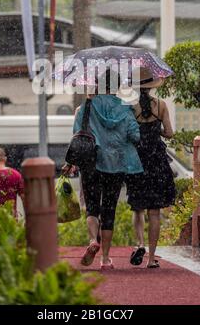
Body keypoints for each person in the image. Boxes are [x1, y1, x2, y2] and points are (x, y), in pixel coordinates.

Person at [65, 72, 143, 270]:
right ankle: (105, 258)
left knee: (92, 206)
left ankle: (93, 240)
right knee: (109, 210)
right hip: (116, 164)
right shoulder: (125, 108)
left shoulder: (87, 107)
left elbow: (77, 133)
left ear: (98, 85)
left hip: (91, 162)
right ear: (117, 87)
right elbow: (134, 135)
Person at [126, 83, 176, 268]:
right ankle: (152, 258)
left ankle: (140, 244)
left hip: (136, 161)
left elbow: (128, 134)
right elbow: (169, 133)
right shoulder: (161, 105)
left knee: (137, 207)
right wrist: (156, 131)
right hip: (156, 162)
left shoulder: (130, 107)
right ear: (151, 86)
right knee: (154, 211)